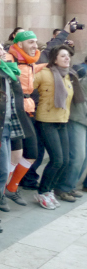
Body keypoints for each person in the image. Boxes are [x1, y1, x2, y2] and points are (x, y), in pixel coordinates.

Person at [0, 39, 36, 223]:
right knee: (0, 171)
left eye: (2, 48)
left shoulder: (9, 70)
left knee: (5, 168)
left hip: (11, 125)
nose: (2, 52)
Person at [33, 44, 77, 208]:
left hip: (62, 121)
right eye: (63, 56)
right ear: (55, 59)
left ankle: (49, 190)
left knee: (65, 160)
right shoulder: (44, 73)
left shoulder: (67, 75)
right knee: (57, 159)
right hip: (46, 121)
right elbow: (27, 87)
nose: (67, 58)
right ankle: (42, 192)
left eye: (68, 56)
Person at [3, 31, 44, 200]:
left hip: (27, 110)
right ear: (20, 44)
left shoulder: (30, 62)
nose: (35, 46)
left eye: (36, 42)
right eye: (31, 42)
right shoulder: (8, 58)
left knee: (31, 153)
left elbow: (45, 60)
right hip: (12, 111)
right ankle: (2, 190)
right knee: (16, 154)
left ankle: (10, 188)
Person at [57, 60, 87, 197]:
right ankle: (62, 188)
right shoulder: (82, 75)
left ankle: (70, 186)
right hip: (77, 118)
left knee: (84, 158)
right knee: (78, 156)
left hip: (82, 119)